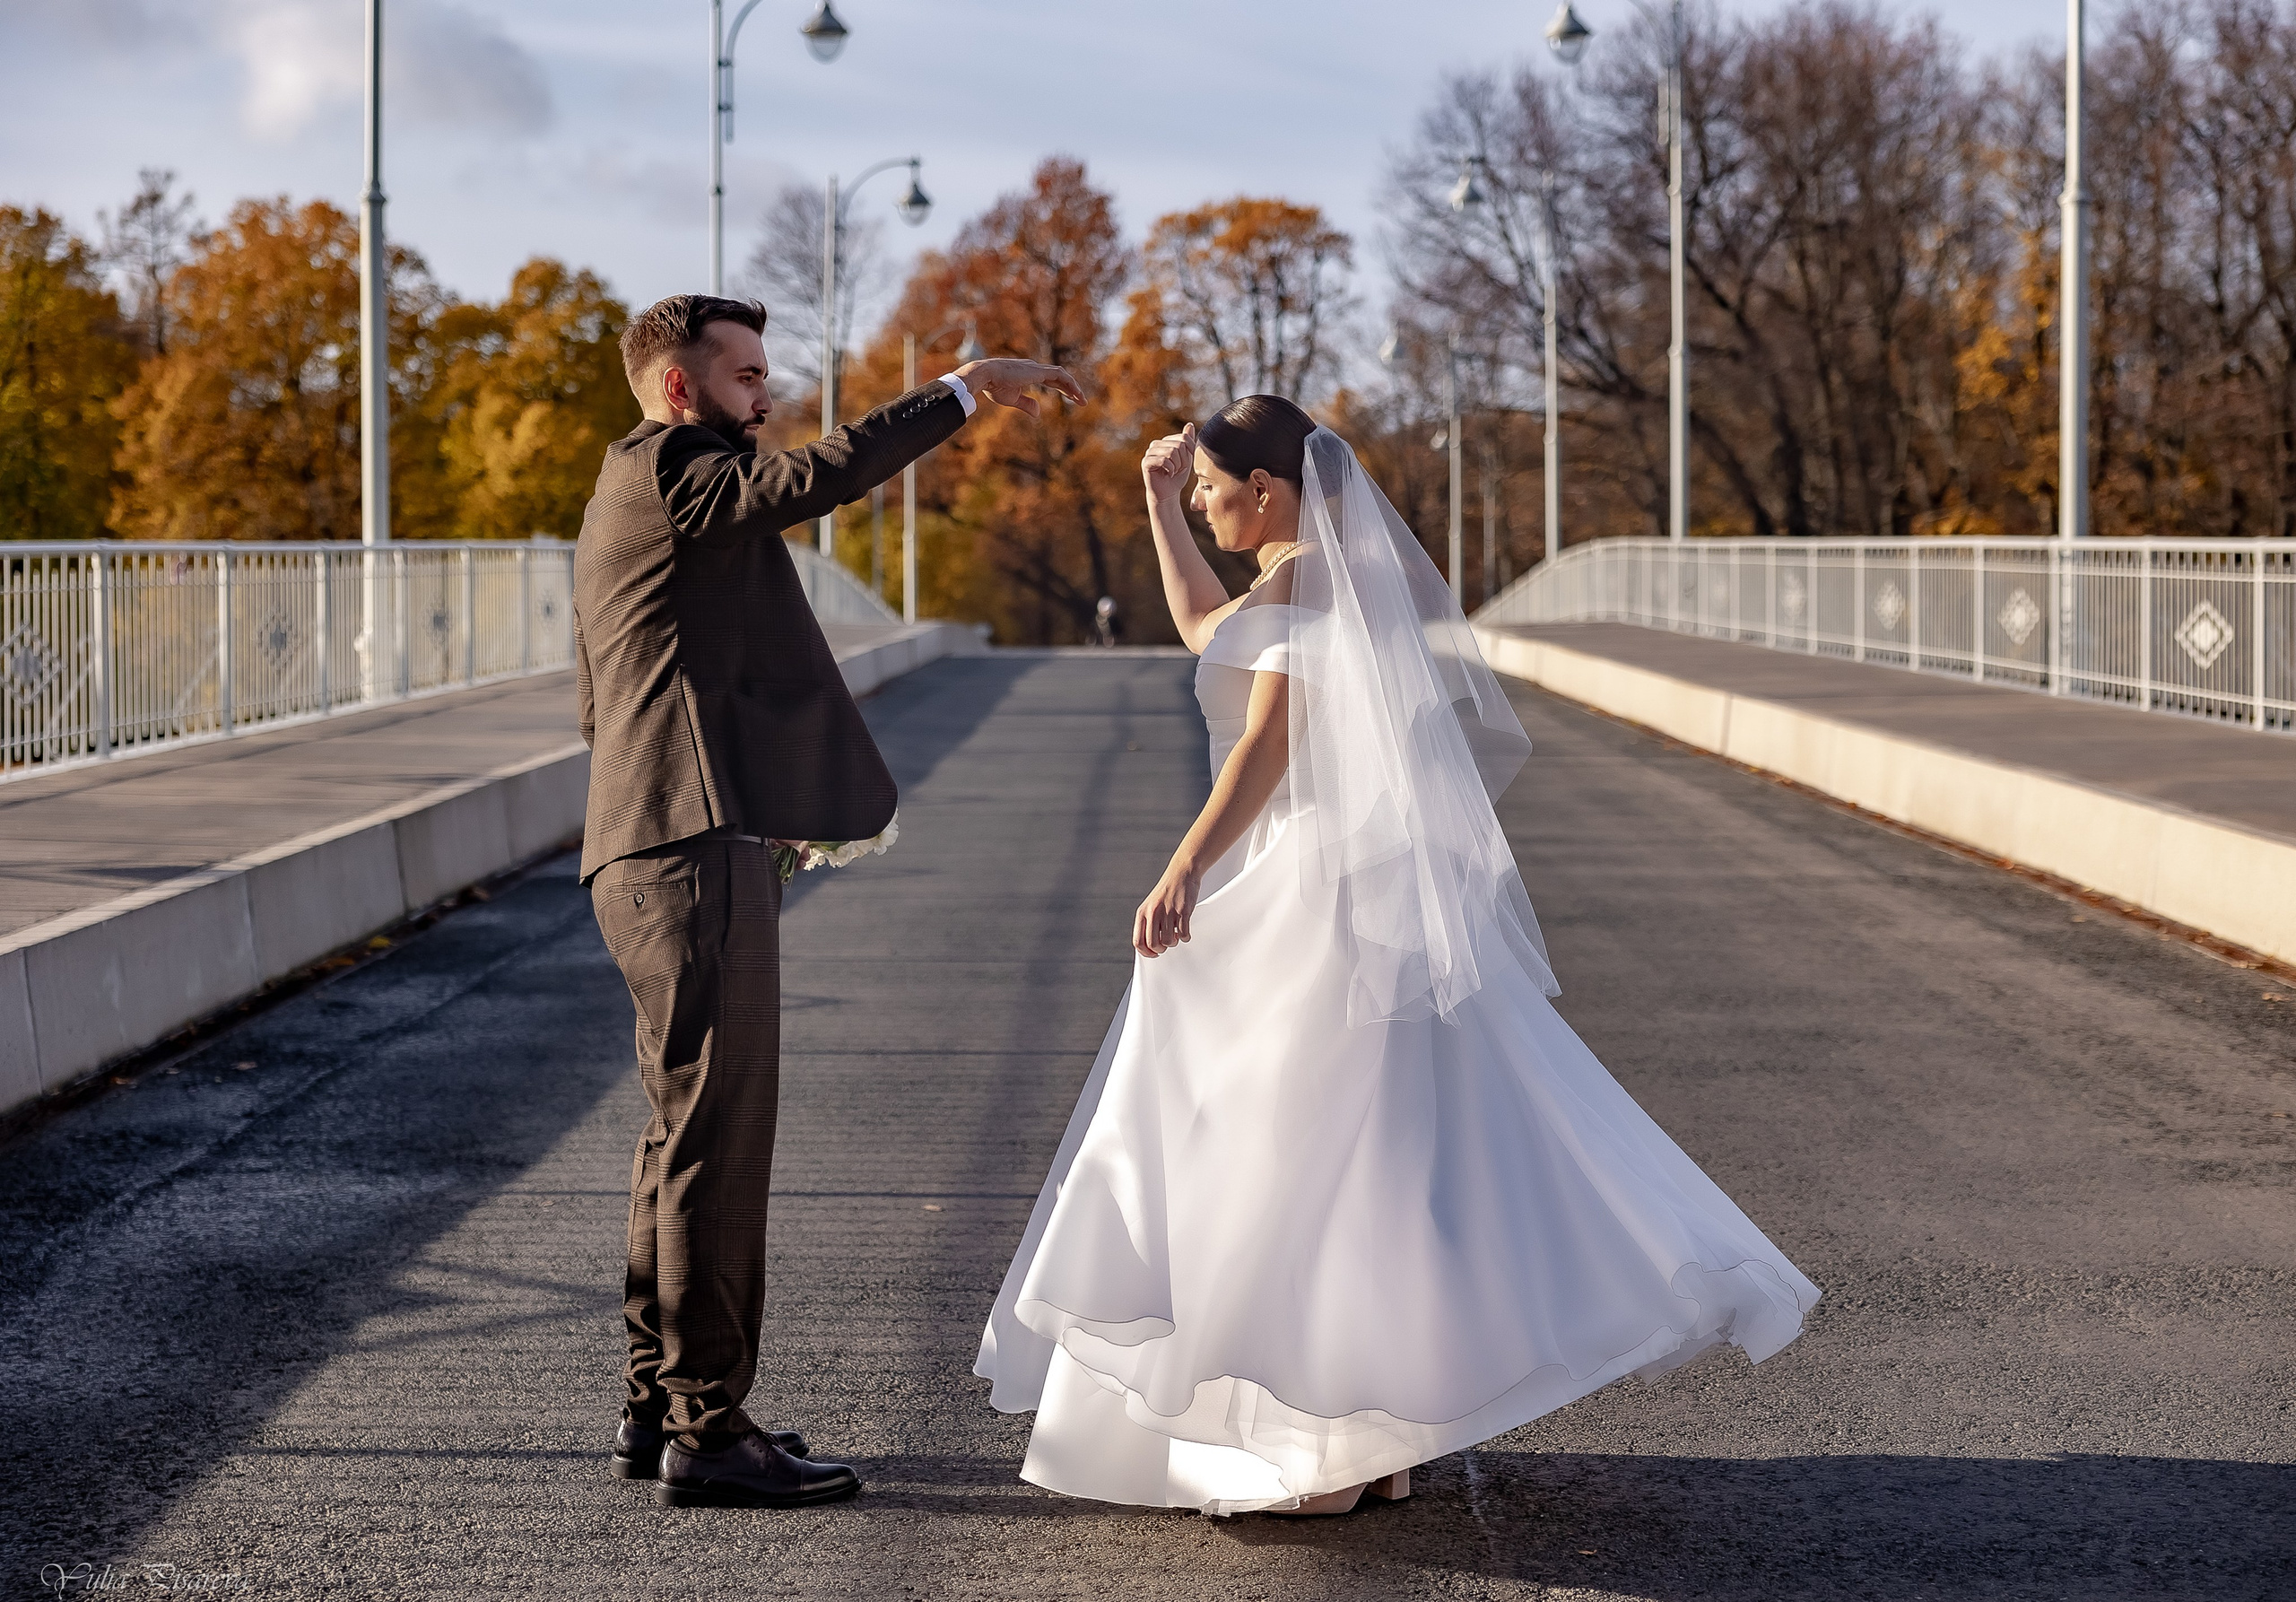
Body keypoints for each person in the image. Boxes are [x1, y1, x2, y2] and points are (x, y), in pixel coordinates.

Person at [976, 396, 1819, 1517]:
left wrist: (1181, 865)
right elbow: (1202, 631)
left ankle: (1328, 1444)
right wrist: (1158, 506)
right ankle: (1372, 1443)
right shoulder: (1298, 582)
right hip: (1332, 882)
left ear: (1267, 490)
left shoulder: (1306, 592)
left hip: (1299, 887)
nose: (1207, 504)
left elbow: (1268, 748)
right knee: (1349, 1154)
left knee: (1297, 1159)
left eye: (1215, 491)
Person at [576, 293, 1080, 1510]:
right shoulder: (682, 467)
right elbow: (814, 480)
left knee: (680, 1134)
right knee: (719, 1139)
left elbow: (642, 688)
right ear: (682, 387)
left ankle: (662, 1403)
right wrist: (961, 390)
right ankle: (709, 1423)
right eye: (747, 376)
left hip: (653, 844)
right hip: (687, 848)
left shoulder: (628, 490)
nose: (768, 396)